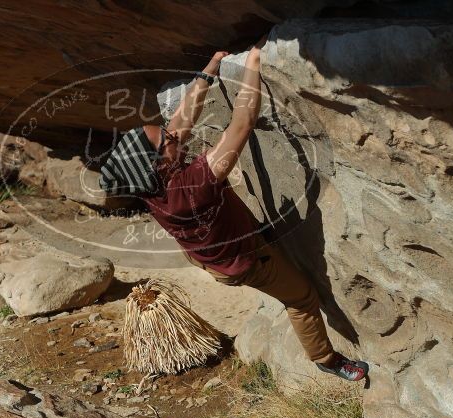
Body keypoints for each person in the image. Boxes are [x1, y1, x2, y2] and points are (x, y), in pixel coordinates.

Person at [100, 39, 369, 381]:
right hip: (242, 261)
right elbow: (241, 124)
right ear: (159, 164)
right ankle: (326, 359)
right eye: (165, 140)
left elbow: (182, 120)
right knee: (301, 298)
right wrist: (251, 65)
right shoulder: (192, 185)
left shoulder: (152, 182)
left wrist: (209, 71)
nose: (171, 135)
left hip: (207, 251)